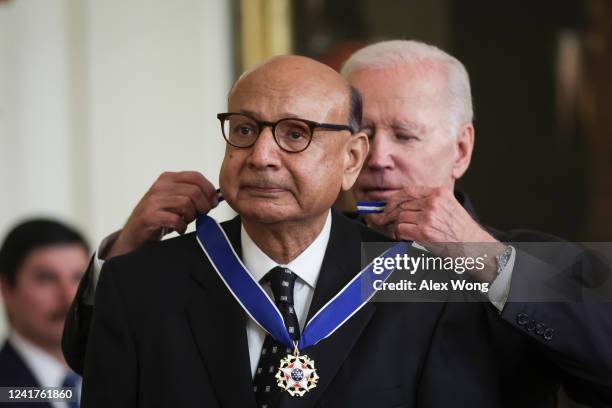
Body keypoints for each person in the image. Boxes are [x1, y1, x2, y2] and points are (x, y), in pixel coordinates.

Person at [65, 43, 612, 406]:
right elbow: (109, 360)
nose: (377, 158)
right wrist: (122, 257)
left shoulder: (514, 261)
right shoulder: (245, 253)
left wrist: (483, 257)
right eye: (362, 132)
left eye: (404, 134)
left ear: (461, 148)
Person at [0, 219, 88, 408]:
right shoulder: (6, 391)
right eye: (46, 279)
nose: (69, 296)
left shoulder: (121, 377)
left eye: (78, 278)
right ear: (6, 289)